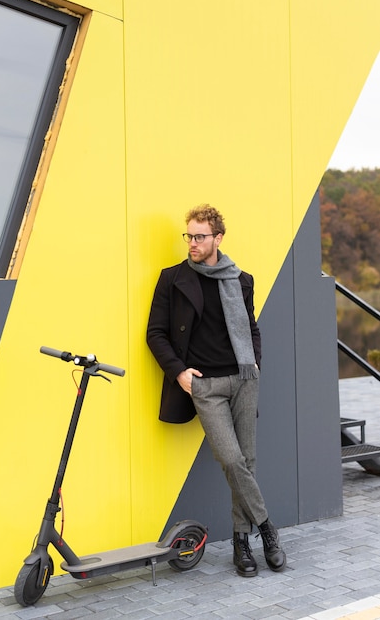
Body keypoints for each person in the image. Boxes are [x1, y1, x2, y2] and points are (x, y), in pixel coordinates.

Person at [146, 203, 286, 577]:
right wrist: (179, 374)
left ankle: (242, 543)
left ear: (218, 238)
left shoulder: (242, 279)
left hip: (243, 379)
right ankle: (268, 529)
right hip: (204, 385)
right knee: (231, 460)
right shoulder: (172, 279)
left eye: (199, 236)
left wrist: (255, 362)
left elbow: (251, 327)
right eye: (188, 235)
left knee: (249, 461)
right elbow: (155, 333)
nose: (191, 242)